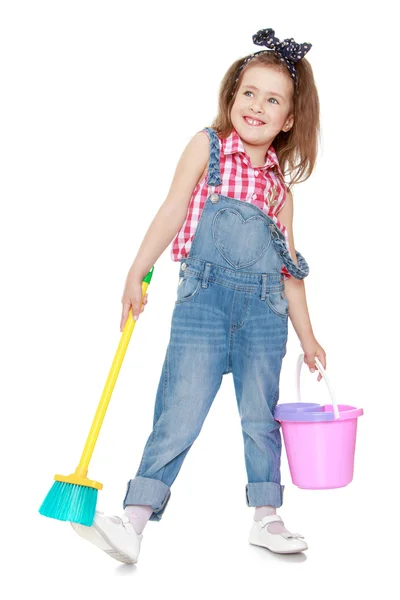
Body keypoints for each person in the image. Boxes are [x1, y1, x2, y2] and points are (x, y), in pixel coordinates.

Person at [71, 27, 326, 564]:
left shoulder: (280, 190)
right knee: (179, 409)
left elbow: (289, 274)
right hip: (203, 305)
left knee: (261, 416)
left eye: (273, 99)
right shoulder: (206, 148)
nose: (257, 105)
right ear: (232, 96)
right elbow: (170, 210)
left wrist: (309, 338)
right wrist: (136, 271)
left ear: (290, 120)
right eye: (248, 92)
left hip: (263, 313)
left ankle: (267, 517)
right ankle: (134, 520)